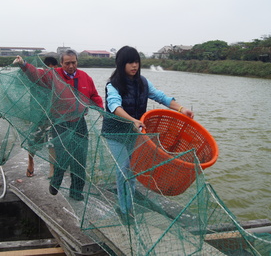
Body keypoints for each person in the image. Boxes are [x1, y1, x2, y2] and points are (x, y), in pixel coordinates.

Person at [102, 46, 194, 222]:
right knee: (124, 168)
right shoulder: (112, 85)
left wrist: (182, 109)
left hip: (135, 133)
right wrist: (133, 120)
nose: (134, 65)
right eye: (129, 62)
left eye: (136, 61)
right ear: (120, 64)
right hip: (115, 133)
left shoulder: (143, 82)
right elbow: (114, 106)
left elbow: (161, 97)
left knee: (133, 168)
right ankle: (124, 209)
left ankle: (128, 205)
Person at [14, 50, 103, 201]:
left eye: (73, 62)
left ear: (77, 62)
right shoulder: (53, 75)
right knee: (63, 155)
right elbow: (36, 74)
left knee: (80, 158)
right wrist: (23, 65)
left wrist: (100, 107)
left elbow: (94, 95)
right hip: (60, 122)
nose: (71, 66)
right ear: (61, 63)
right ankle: (56, 182)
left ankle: (76, 192)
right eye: (67, 63)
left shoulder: (85, 77)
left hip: (79, 121)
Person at [25, 56, 58, 177]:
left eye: (55, 67)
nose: (53, 70)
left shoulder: (57, 78)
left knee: (51, 142)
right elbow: (29, 71)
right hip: (38, 115)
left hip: (52, 116)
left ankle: (52, 168)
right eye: (51, 67)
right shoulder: (37, 76)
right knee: (33, 141)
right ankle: (30, 162)